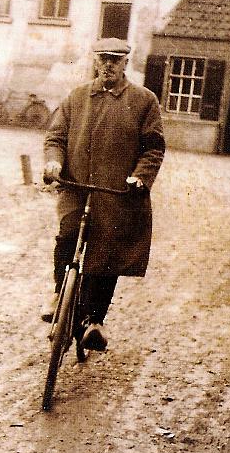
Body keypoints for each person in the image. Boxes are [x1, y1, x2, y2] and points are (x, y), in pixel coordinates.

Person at [41, 37, 166, 351]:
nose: (108, 64)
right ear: (95, 61)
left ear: (125, 62)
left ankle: (95, 320)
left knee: (106, 252)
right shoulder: (77, 97)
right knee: (68, 231)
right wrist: (54, 161)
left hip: (115, 191)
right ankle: (60, 293)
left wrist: (140, 178)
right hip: (76, 186)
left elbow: (153, 148)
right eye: (103, 59)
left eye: (115, 59)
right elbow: (55, 137)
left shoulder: (144, 100)